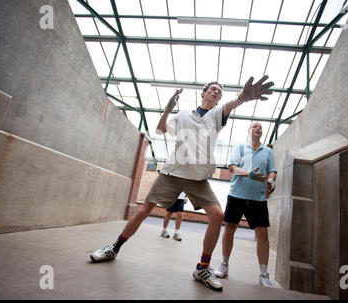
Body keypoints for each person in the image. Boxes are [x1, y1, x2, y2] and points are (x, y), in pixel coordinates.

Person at [89, 76, 274, 291]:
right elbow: (160, 130)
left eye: (219, 93)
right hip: (173, 172)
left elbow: (231, 104)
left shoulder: (216, 115)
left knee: (216, 215)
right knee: (145, 209)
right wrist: (168, 109)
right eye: (212, 89)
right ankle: (114, 247)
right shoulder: (184, 114)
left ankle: (202, 268)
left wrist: (243, 97)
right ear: (203, 93)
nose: (216, 93)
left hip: (197, 178)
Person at [214, 121, 277, 288]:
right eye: (255, 126)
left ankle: (264, 274)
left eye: (260, 127)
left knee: (262, 233)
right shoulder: (240, 148)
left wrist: (271, 180)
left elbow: (272, 170)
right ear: (249, 130)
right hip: (237, 195)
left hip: (258, 198)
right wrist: (248, 174)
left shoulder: (268, 151)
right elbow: (232, 168)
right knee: (230, 228)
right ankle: (224, 265)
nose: (258, 128)